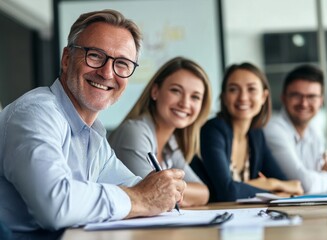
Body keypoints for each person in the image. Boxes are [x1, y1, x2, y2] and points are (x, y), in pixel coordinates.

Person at [0, 9, 186, 233]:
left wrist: (161, 192)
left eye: (122, 64)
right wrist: (142, 198)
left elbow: (134, 186)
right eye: (95, 55)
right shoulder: (36, 113)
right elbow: (56, 206)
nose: (107, 73)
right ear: (67, 59)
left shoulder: (92, 134)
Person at [190, 63, 303, 202]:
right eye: (233, 89)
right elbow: (228, 193)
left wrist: (275, 183)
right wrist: (271, 185)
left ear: (263, 96)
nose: (243, 97)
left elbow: (291, 185)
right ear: (224, 97)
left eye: (251, 89)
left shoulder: (256, 135)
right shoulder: (212, 131)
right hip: (211, 218)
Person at [108, 57, 211, 207]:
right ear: (155, 91)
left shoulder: (171, 142)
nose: (185, 103)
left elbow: (203, 193)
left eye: (195, 97)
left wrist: (172, 190)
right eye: (176, 91)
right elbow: (154, 195)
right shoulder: (134, 132)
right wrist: (173, 191)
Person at [263, 64, 327, 194]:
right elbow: (305, 184)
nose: (304, 103)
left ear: (321, 101)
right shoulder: (273, 129)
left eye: (311, 97)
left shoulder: (314, 131)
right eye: (296, 95)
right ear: (283, 98)